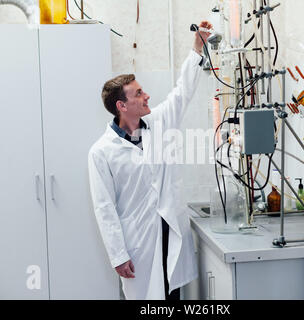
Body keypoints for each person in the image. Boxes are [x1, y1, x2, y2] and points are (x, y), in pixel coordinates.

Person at [88, 21, 212, 300]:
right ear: (122, 106)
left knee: (171, 295)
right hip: (137, 243)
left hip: (169, 232)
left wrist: (197, 48)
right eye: (139, 94)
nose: (147, 96)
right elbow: (104, 207)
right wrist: (117, 255)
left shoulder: (158, 122)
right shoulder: (101, 151)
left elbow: (182, 92)